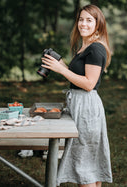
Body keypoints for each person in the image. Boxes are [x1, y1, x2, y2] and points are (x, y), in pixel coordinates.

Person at [41, 4, 113, 187]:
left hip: (86, 108)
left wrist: (61, 70)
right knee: (90, 165)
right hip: (82, 105)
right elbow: (79, 77)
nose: (83, 24)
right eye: (81, 19)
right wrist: (61, 65)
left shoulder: (96, 49)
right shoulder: (85, 47)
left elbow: (89, 84)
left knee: (83, 168)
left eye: (89, 20)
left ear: (98, 24)